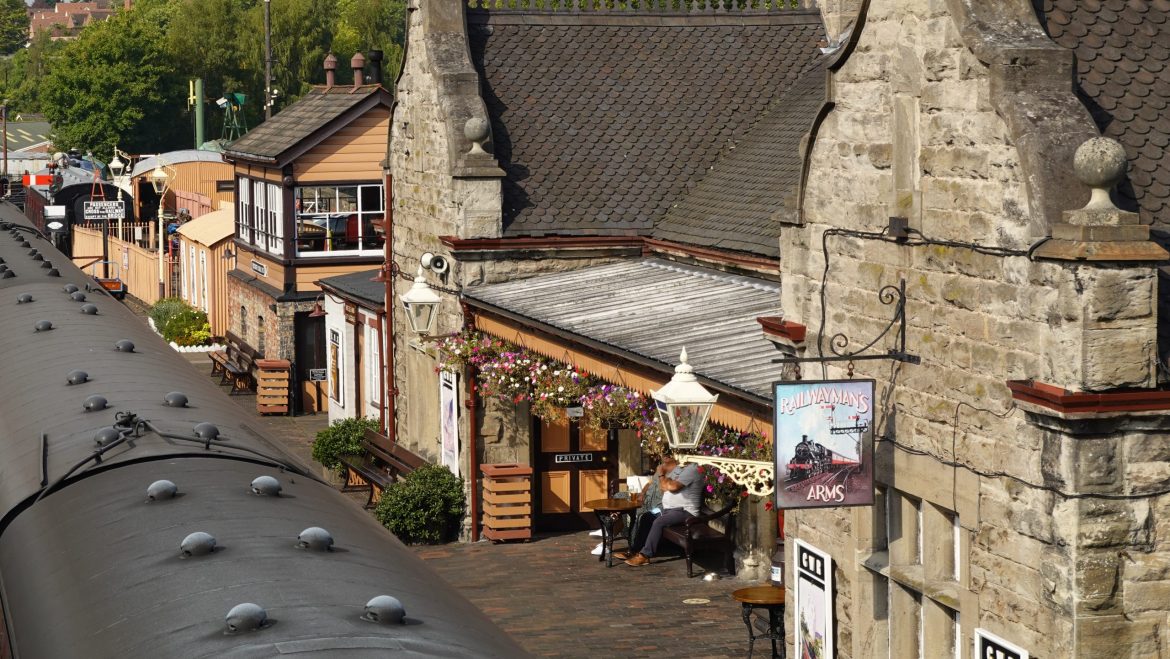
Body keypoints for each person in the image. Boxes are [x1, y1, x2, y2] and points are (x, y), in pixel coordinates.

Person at [624, 455, 703, 567]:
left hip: (685, 511)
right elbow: (663, 486)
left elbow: (673, 487)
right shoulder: (680, 468)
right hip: (669, 509)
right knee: (647, 517)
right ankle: (634, 551)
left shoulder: (693, 468)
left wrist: (662, 475)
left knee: (659, 522)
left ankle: (645, 556)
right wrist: (666, 483)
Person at [613, 462, 667, 561]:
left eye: (666, 460)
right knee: (618, 497)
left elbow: (666, 490)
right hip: (645, 499)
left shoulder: (670, 476)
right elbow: (649, 483)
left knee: (639, 515)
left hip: (655, 506)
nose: (664, 462)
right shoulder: (660, 470)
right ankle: (616, 530)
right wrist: (642, 493)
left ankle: (633, 549)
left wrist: (662, 475)